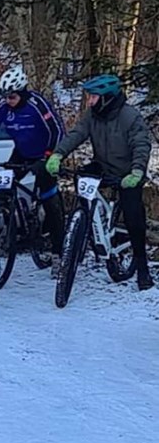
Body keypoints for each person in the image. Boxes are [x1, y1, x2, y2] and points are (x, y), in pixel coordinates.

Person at [46, 73, 154, 290]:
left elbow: (141, 145)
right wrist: (58, 154)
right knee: (81, 178)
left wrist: (136, 171)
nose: (90, 101)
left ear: (106, 97)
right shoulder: (92, 116)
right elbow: (76, 134)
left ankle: (142, 270)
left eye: (94, 97)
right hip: (103, 166)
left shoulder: (130, 116)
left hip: (127, 173)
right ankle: (85, 224)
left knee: (134, 219)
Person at [0, 66, 65, 264]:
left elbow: (57, 130)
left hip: (45, 153)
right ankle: (11, 230)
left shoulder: (37, 103)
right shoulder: (3, 105)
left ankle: (58, 251)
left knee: (50, 201)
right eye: (6, 97)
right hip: (21, 152)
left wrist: (49, 157)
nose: (8, 101)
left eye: (12, 97)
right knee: (4, 188)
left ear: (22, 93)